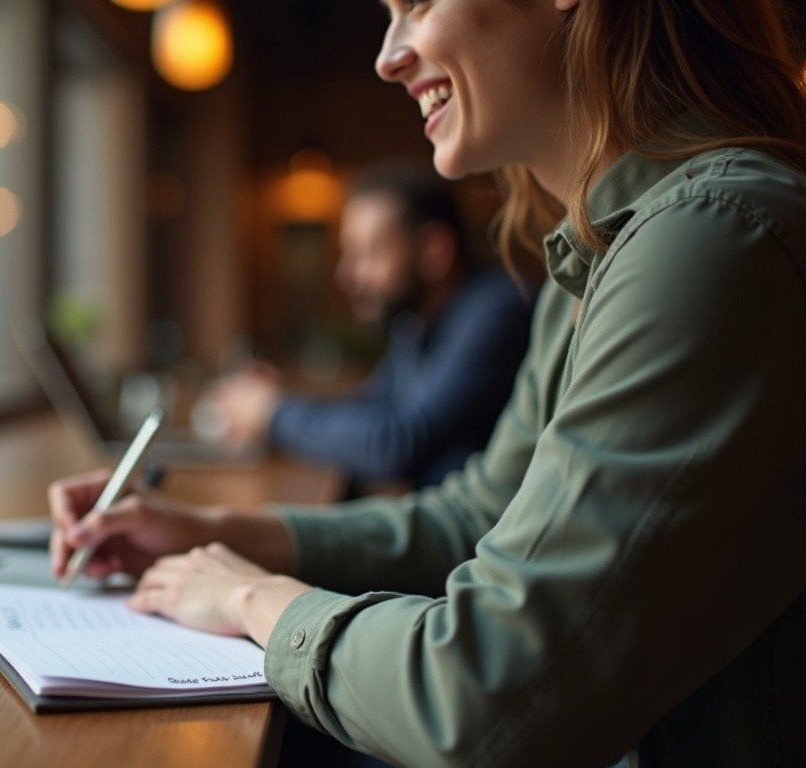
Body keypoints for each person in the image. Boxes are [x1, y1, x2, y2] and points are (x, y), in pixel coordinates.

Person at [47, 0, 806, 765]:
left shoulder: (710, 237)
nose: (387, 56)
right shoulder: (589, 266)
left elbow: (489, 696)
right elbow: (476, 515)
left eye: (416, 5)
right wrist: (214, 531)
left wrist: (249, 597)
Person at [209, 165, 534, 491]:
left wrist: (272, 415)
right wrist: (280, 400)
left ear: (434, 251)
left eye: (368, 254)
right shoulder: (418, 320)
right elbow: (376, 405)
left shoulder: (497, 310)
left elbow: (398, 444)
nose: (346, 275)